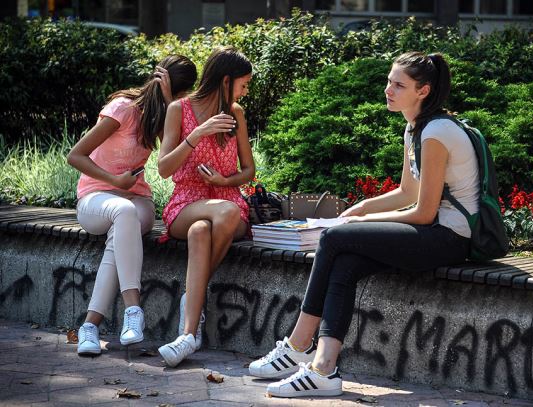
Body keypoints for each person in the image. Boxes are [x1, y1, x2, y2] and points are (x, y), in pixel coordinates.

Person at [248, 51, 479, 398]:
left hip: (449, 238)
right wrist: (361, 207)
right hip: (432, 233)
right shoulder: (415, 128)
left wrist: (363, 220)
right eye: (389, 81)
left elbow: (424, 212)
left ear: (423, 91)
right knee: (346, 262)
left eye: (399, 85)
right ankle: (323, 369)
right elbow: (407, 192)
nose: (388, 89)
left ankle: (298, 344)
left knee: (334, 237)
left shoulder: (436, 132)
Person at [67, 55, 198, 355]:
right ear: (183, 90)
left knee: (124, 225)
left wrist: (169, 104)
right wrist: (115, 180)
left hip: (138, 201)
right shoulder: (123, 109)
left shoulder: (162, 115)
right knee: (122, 213)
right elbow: (75, 155)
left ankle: (89, 327)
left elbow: (171, 161)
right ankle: (133, 311)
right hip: (96, 198)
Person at [156, 46, 255, 367]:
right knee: (213, 218)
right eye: (243, 84)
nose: (245, 91)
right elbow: (164, 168)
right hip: (187, 200)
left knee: (204, 229)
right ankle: (193, 313)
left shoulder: (236, 114)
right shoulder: (178, 109)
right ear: (225, 81)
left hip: (228, 198)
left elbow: (248, 170)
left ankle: (188, 332)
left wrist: (225, 181)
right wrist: (197, 133)